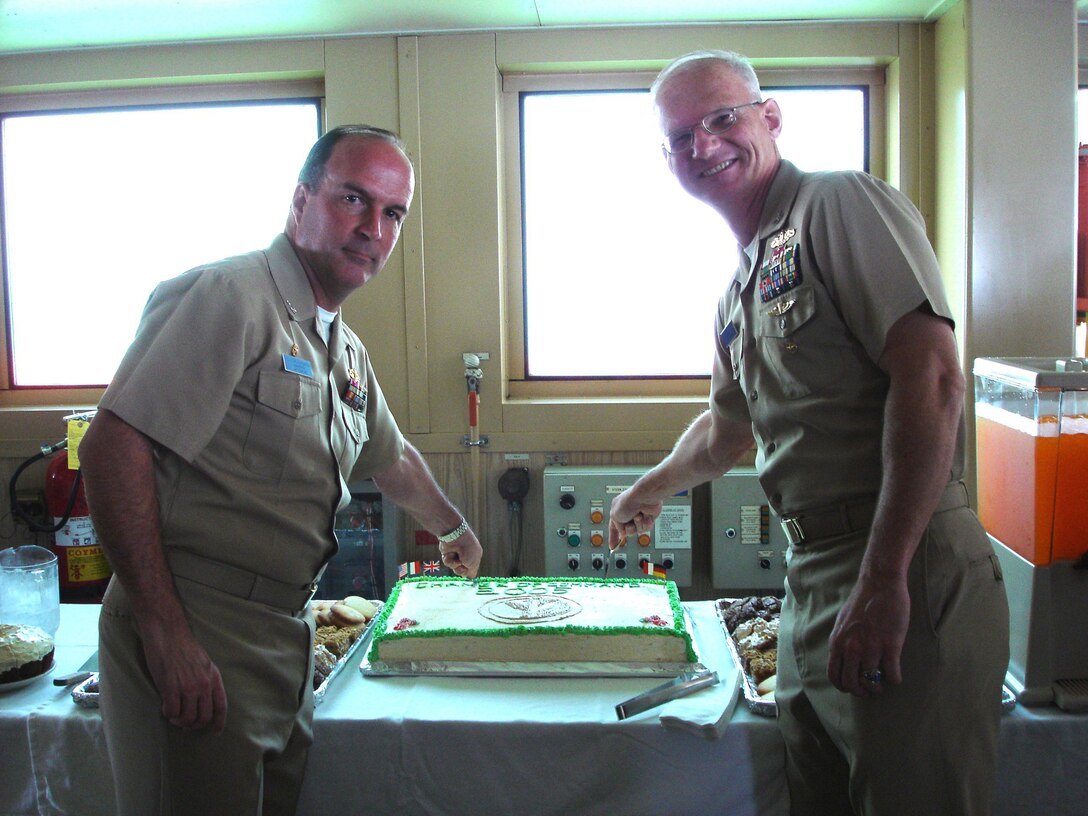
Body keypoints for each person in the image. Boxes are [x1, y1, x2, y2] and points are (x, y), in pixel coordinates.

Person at [608, 51, 1009, 815]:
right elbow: (728, 433)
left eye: (723, 117)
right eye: (682, 135)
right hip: (812, 578)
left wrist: (886, 578)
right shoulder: (737, 288)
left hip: (902, 560)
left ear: (772, 117)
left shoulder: (838, 205)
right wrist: (648, 486)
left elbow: (931, 378)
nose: (705, 144)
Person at [79, 124, 483, 816]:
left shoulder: (342, 349)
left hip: (286, 634)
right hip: (197, 622)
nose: (373, 228)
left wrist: (453, 525)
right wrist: (164, 632)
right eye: (353, 199)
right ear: (301, 200)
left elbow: (391, 457)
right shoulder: (230, 297)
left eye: (393, 213)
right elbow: (113, 446)